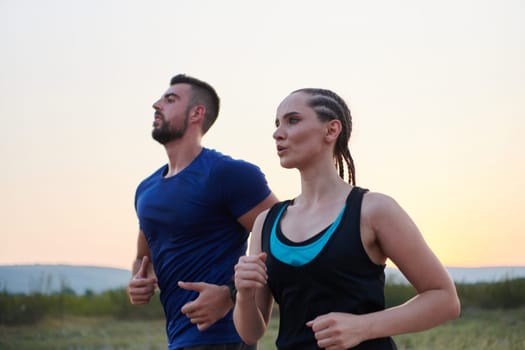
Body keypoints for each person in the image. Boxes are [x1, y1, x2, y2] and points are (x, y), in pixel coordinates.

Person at [233, 88, 461, 349]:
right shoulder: (266, 222)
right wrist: (244, 294)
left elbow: (445, 299)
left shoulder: (373, 210)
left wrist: (363, 327)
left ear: (331, 130)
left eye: (292, 120)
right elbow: (251, 333)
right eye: (276, 124)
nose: (277, 133)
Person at [127, 74, 278, 350]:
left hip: (227, 338)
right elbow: (142, 257)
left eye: (170, 99)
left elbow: (285, 241)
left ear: (197, 113)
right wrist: (139, 279)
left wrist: (231, 295)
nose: (156, 104)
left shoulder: (229, 174)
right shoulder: (146, 190)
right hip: (177, 340)